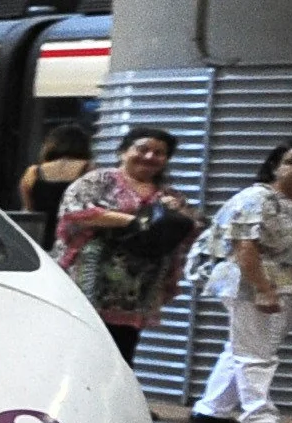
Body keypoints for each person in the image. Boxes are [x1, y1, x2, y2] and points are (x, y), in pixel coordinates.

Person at [189, 138, 292, 423]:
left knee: (245, 347)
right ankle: (259, 416)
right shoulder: (256, 198)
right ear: (275, 166)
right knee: (256, 352)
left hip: (286, 284)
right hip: (250, 281)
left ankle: (212, 409)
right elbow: (245, 248)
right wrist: (262, 289)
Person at [58, 126, 198, 359]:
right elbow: (76, 212)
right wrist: (136, 221)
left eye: (159, 153)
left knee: (123, 351)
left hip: (138, 286)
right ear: (123, 152)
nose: (150, 157)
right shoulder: (99, 180)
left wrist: (175, 216)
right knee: (84, 346)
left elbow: (189, 228)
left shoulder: (170, 195)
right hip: (93, 277)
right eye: (142, 149)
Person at [18, 122, 87, 244]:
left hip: (41, 238)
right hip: (73, 238)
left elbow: (29, 210)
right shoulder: (88, 169)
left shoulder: (33, 171)